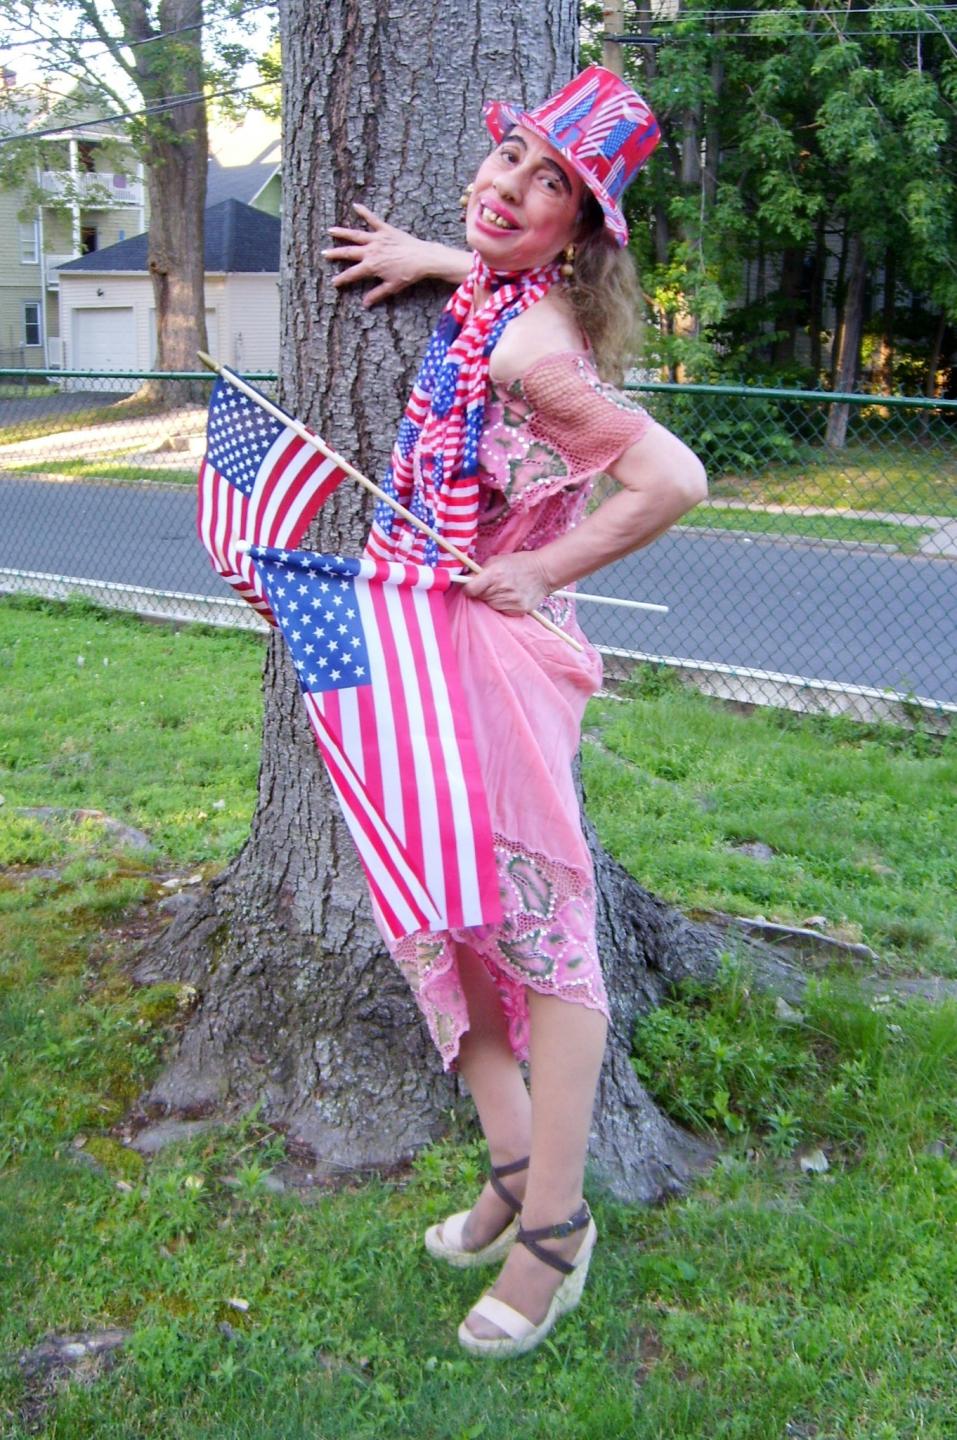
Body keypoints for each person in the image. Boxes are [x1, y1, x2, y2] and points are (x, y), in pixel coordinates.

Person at [324, 65, 707, 1358]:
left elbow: (672, 478)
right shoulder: (498, 295)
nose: (510, 190)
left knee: (543, 938)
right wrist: (431, 255)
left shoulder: (533, 348)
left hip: (494, 660)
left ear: (577, 229)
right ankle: (506, 1160)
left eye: (552, 186)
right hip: (421, 641)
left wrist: (543, 567)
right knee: (437, 911)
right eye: (512, 159)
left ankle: (556, 1226)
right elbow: (491, 285)